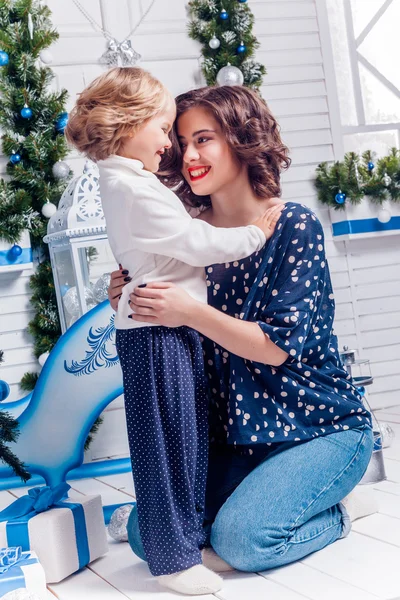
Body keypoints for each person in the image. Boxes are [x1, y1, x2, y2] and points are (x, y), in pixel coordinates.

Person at [109, 84, 375, 576]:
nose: (188, 154)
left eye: (203, 139)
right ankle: (267, 504)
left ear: (240, 139)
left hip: (317, 429)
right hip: (236, 439)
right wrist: (130, 295)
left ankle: (336, 514)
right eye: (180, 140)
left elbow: (274, 348)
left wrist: (187, 311)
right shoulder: (184, 234)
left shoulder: (292, 224)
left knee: (243, 543)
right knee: (153, 537)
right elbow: (159, 314)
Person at [65, 67, 283, 595]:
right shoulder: (131, 186)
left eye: (188, 137)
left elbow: (166, 244)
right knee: (167, 448)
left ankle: (177, 546)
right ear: (129, 122)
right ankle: (173, 557)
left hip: (165, 328)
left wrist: (136, 275)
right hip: (156, 333)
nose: (171, 147)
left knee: (179, 443)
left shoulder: (132, 183)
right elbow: (193, 243)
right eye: (167, 131)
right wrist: (255, 235)